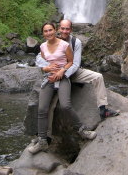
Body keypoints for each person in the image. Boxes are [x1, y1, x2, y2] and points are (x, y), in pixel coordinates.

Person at [28, 22, 96, 155]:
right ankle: (42, 142)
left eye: (50, 30)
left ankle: (83, 130)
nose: (48, 33)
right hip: (49, 78)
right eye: (46, 31)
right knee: (42, 109)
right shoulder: (42, 46)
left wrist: (61, 72)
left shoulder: (64, 45)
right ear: (43, 34)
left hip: (63, 77)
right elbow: (41, 63)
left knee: (65, 106)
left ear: (55, 30)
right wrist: (45, 68)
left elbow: (71, 61)